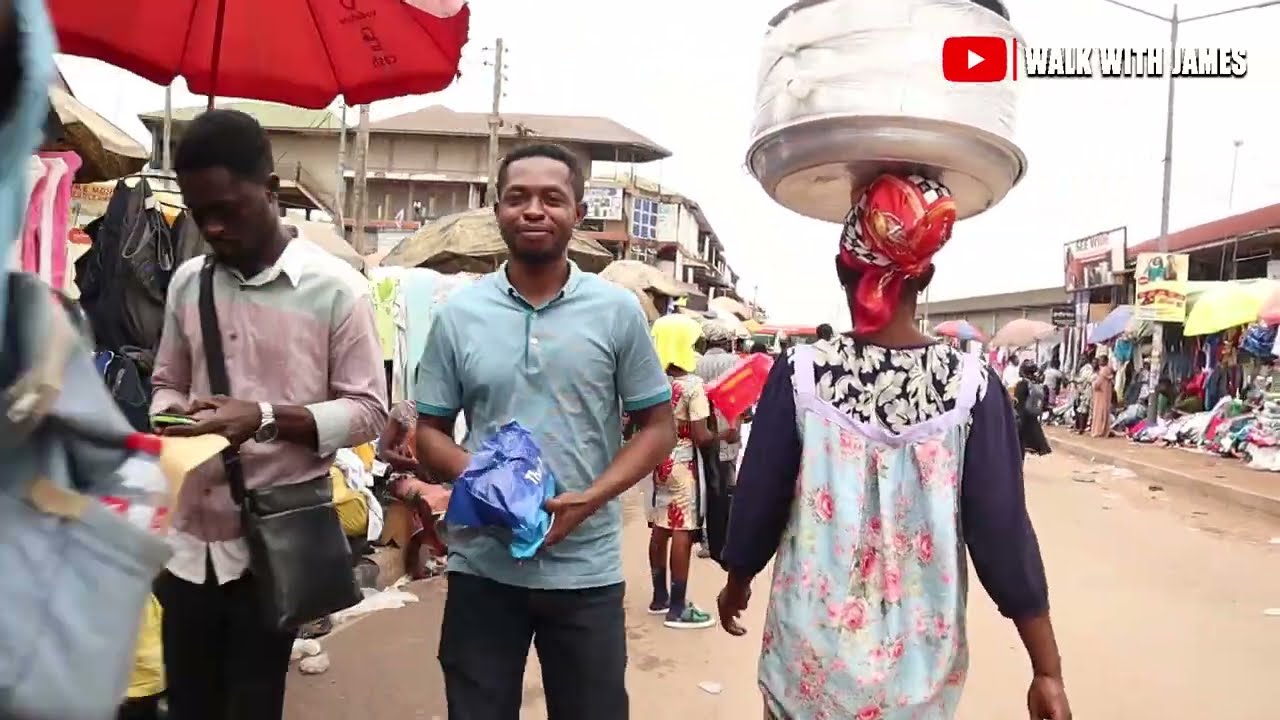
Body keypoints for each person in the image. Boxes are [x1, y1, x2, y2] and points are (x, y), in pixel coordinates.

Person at [715, 175, 1069, 720]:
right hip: (919, 674)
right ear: (925, 276)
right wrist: (1046, 668)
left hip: (810, 667)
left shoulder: (802, 375)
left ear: (842, 268)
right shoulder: (971, 386)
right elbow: (1001, 529)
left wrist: (738, 579)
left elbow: (759, 497)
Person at [414, 143, 676, 719]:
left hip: (586, 571)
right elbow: (427, 432)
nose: (534, 210)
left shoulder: (617, 311)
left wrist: (591, 497)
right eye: (518, 197)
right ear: (497, 211)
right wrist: (490, 483)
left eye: (552, 198)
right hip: (483, 567)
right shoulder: (459, 315)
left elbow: (659, 427)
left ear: (577, 214)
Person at [150, 110, 388, 720]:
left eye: (229, 209)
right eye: (202, 215)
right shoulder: (187, 284)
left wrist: (258, 417)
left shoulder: (337, 289)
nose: (215, 227)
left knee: (254, 704)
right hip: (185, 545)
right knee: (190, 703)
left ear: (273, 192)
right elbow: (167, 384)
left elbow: (367, 413)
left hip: (274, 543)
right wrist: (175, 421)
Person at [647, 314, 736, 629]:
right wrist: (727, 432)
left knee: (660, 528)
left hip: (658, 462)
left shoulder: (654, 380)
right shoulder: (692, 386)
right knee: (682, 532)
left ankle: (659, 597)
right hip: (685, 466)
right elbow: (701, 437)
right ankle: (677, 606)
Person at [694, 322, 744, 562]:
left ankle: (707, 540)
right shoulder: (735, 363)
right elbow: (743, 399)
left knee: (707, 483)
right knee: (727, 483)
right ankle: (727, 540)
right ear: (725, 342)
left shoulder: (696, 363)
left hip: (705, 431)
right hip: (729, 429)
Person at [1014, 360, 1052, 456]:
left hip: (1022, 418)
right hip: (1032, 418)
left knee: (1019, 447)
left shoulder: (1021, 384)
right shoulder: (1037, 385)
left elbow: (1017, 402)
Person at [1090, 354, 1115, 437]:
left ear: (1105, 361)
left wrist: (1093, 383)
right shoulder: (1108, 371)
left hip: (1100, 395)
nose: (1099, 362)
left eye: (1101, 360)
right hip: (1107, 395)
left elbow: (1097, 384)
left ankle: (1098, 431)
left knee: (1099, 413)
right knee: (1105, 413)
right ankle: (1104, 431)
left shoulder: (1102, 372)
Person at [1071, 358, 1096, 434]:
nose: (1081, 361)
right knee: (1078, 409)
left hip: (1087, 392)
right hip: (1081, 391)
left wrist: (1074, 379)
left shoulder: (1088, 369)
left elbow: (1085, 379)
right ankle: (1078, 426)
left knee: (1083, 410)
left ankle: (1081, 428)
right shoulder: (1083, 368)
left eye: (1083, 359)